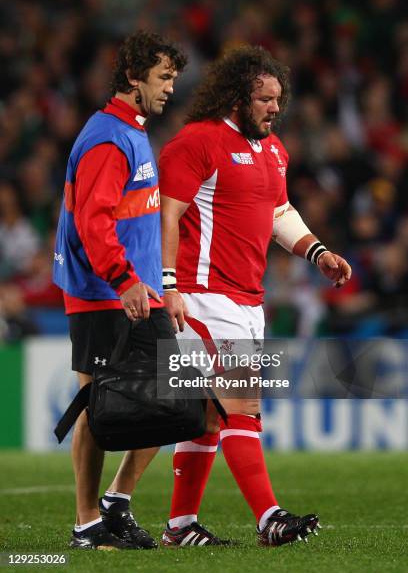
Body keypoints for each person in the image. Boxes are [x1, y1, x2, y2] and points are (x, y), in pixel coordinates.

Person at [159, 45, 352, 547]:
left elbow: (279, 213)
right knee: (241, 403)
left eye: (279, 99)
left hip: (247, 299)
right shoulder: (197, 142)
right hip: (202, 297)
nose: (274, 108)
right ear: (237, 97)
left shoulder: (274, 150)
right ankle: (270, 518)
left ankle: (180, 527)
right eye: (265, 99)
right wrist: (168, 284)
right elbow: (167, 216)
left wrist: (318, 252)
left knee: (206, 413)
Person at [53, 30, 186, 550]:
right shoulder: (109, 137)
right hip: (104, 293)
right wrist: (125, 278)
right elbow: (93, 221)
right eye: (164, 77)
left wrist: (160, 285)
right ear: (134, 77)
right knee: (95, 403)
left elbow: (136, 223)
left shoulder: (130, 129)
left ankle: (116, 503)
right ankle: (88, 524)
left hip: (136, 291)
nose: (171, 88)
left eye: (173, 77)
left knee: (176, 398)